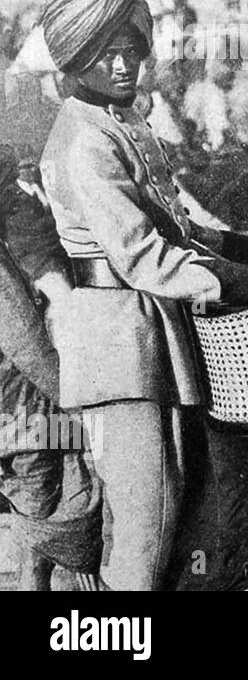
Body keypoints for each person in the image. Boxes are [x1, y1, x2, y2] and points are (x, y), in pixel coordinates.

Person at [38, 0, 248, 590]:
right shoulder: (84, 145)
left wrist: (241, 247)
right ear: (75, 61)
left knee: (177, 514)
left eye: (131, 48)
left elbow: (175, 223)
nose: (124, 63)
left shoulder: (114, 121)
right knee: (144, 530)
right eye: (106, 54)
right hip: (116, 345)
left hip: (144, 332)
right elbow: (147, 257)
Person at [0, 235, 103, 591]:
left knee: (39, 529)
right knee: (46, 539)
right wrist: (72, 400)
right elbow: (22, 337)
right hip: (28, 414)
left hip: (16, 418)